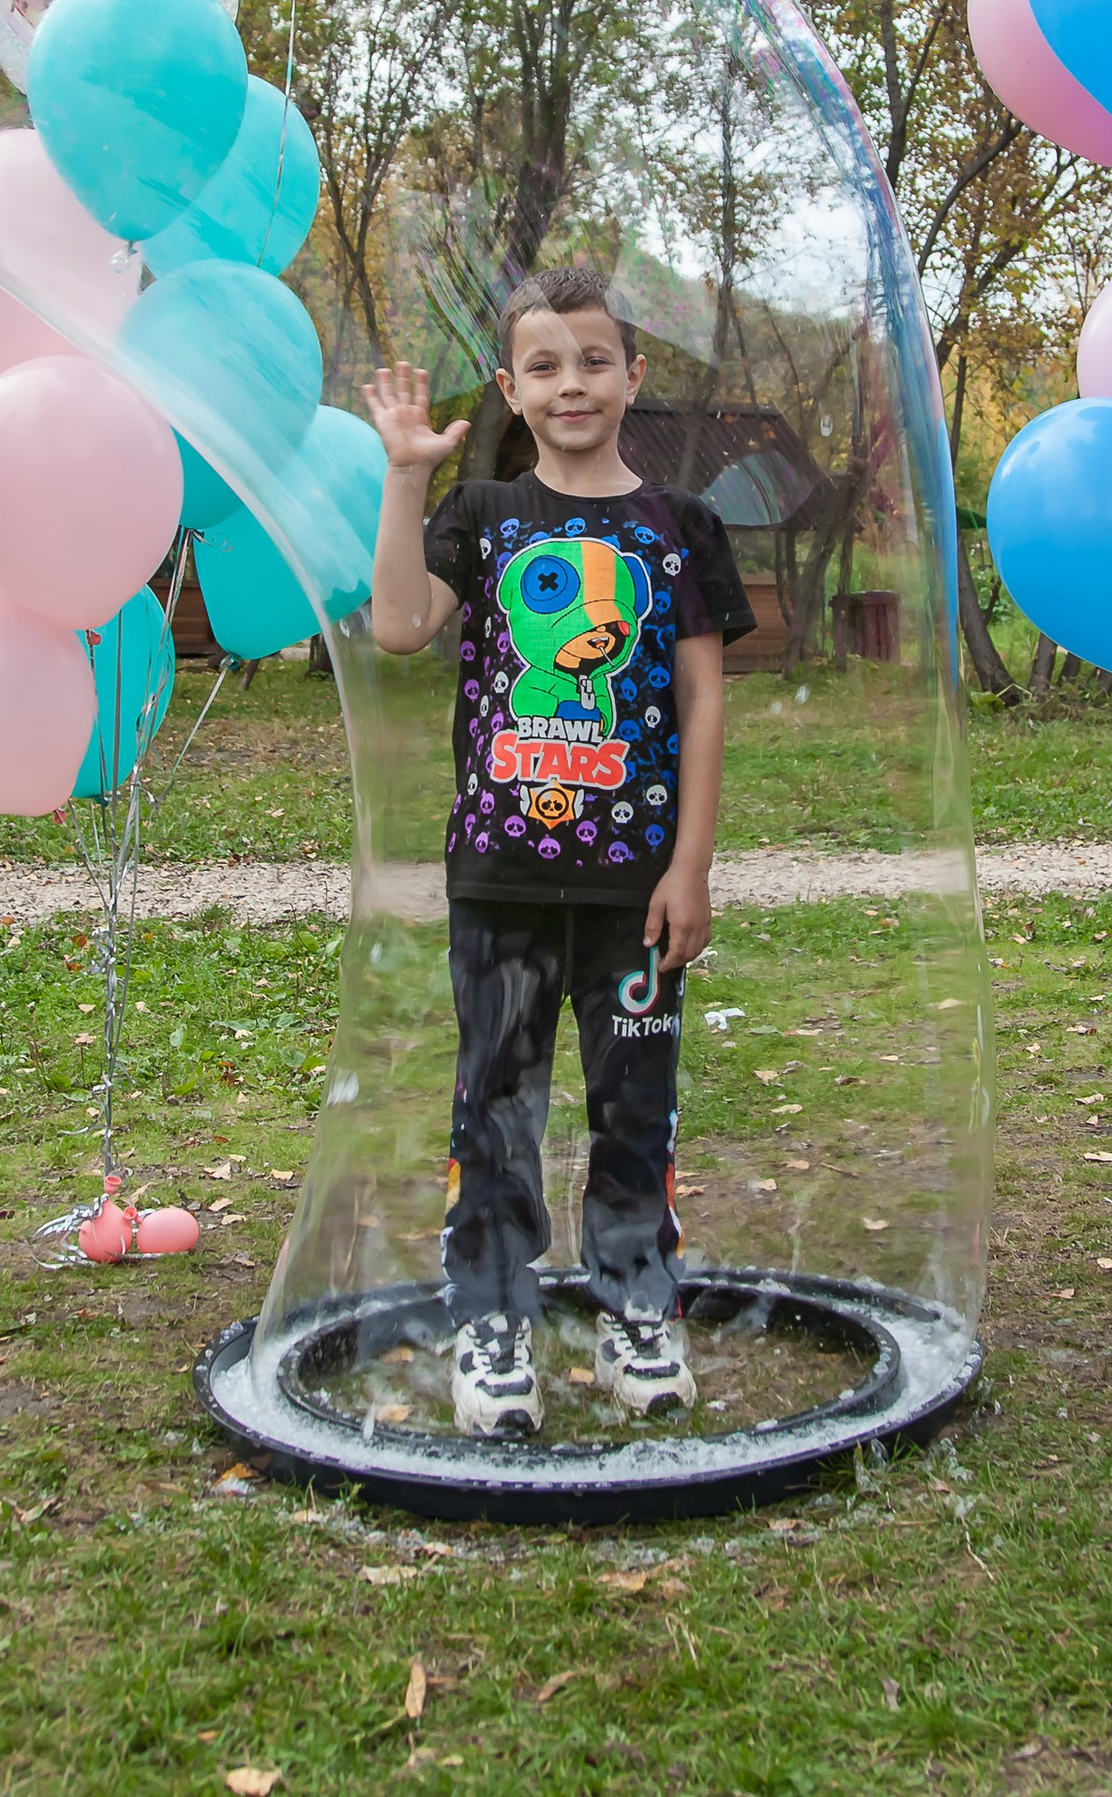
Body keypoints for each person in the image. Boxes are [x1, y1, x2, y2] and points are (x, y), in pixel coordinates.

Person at [365, 266, 755, 1438]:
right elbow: (395, 627)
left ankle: (638, 1307)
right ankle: (494, 1323)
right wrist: (404, 475)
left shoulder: (679, 526)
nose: (570, 382)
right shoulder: (483, 517)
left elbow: (700, 703)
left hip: (638, 892)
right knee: (495, 1108)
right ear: (510, 388)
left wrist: (688, 866)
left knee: (635, 1109)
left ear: (634, 375)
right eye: (543, 364)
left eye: (592, 358)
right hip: (501, 881)